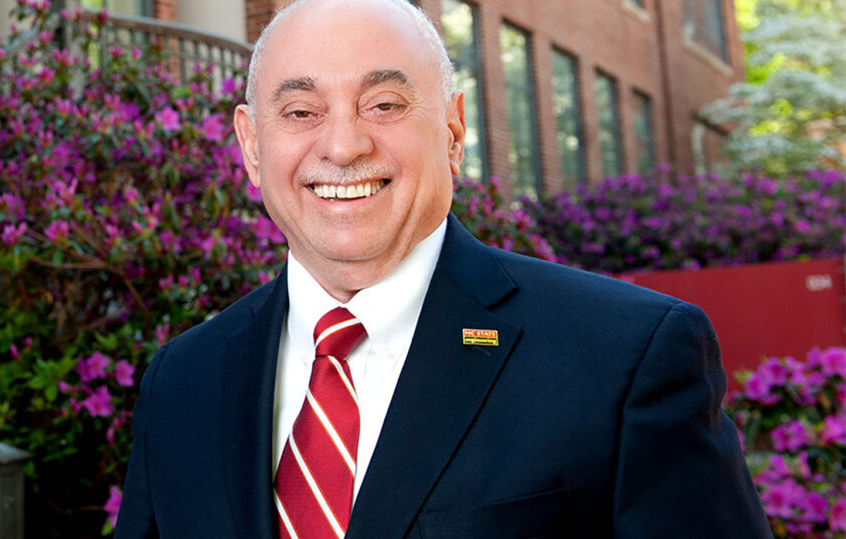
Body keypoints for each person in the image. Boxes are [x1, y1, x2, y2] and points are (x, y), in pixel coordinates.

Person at [113, 0, 771, 537]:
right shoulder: (183, 380)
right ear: (253, 147)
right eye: (302, 113)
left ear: (453, 132)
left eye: (385, 105)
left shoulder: (624, 359)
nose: (343, 144)